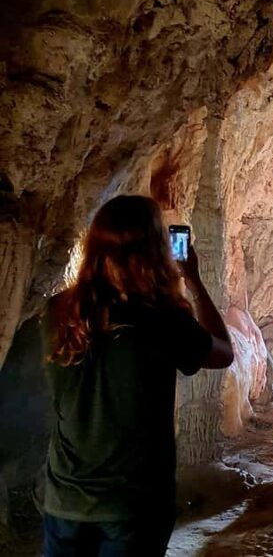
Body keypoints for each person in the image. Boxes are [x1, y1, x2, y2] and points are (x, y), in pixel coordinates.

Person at [40, 195, 234, 557]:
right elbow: (223, 351)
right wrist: (193, 280)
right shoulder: (163, 319)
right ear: (155, 251)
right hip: (133, 502)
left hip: (65, 498)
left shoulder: (58, 311)